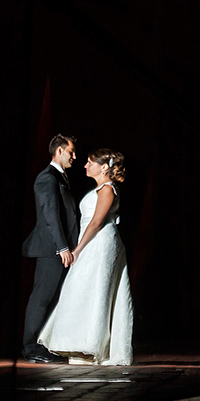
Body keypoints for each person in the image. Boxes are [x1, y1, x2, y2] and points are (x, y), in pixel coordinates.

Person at [37, 149, 134, 365]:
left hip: (100, 243)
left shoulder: (108, 189)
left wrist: (78, 249)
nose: (85, 166)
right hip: (92, 242)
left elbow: (97, 222)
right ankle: (78, 344)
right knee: (81, 288)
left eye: (90, 162)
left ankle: (90, 345)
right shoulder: (100, 188)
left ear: (104, 167)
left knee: (94, 288)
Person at [21, 134, 79, 364]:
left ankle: (43, 344)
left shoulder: (61, 177)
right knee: (41, 297)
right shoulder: (47, 178)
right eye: (71, 151)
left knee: (52, 297)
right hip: (50, 248)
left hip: (59, 248)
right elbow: (50, 214)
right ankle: (31, 347)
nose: (74, 156)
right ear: (59, 152)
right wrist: (62, 246)